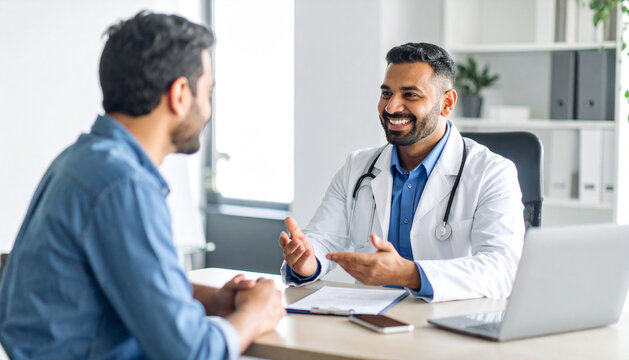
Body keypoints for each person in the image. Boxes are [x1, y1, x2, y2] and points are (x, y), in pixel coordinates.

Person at [0, 11, 284, 360]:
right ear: (180, 94)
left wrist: (209, 299)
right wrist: (256, 314)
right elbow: (190, 352)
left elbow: (108, 284)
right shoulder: (124, 185)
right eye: (208, 92)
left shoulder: (80, 161)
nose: (208, 111)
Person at [278, 42, 525, 303]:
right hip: (370, 321)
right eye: (387, 93)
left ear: (447, 103)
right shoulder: (358, 167)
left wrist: (410, 274)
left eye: (410, 95)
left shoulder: (492, 172)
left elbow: (502, 269)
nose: (392, 107)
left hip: (448, 325)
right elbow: (323, 240)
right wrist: (307, 261)